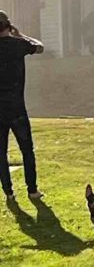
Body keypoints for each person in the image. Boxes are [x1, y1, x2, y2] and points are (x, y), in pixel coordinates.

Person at [0, 11, 44, 202]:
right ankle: (32, 190)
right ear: (9, 26)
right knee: (27, 150)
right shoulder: (19, 45)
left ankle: (8, 193)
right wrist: (20, 35)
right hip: (17, 107)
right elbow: (40, 47)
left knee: (1, 152)